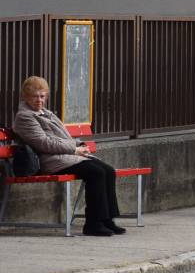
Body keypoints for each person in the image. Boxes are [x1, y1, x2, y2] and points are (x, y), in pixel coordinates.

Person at [13, 76, 124, 237]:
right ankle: (93, 224)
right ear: (25, 97)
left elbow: (64, 136)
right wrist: (74, 150)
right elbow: (45, 143)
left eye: (42, 96)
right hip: (49, 161)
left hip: (65, 156)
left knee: (108, 170)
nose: (39, 100)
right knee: (95, 172)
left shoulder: (47, 113)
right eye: (34, 96)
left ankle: (107, 220)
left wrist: (79, 145)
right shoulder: (24, 117)